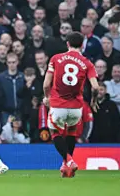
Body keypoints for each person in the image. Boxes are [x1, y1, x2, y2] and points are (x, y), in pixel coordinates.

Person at [42, 31, 99, 178]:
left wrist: (47, 97)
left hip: (58, 104)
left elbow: (46, 83)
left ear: (67, 44)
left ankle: (69, 160)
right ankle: (65, 166)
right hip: (76, 107)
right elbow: (96, 87)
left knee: (55, 133)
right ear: (82, 45)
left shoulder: (56, 59)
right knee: (71, 132)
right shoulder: (87, 63)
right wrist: (94, 99)